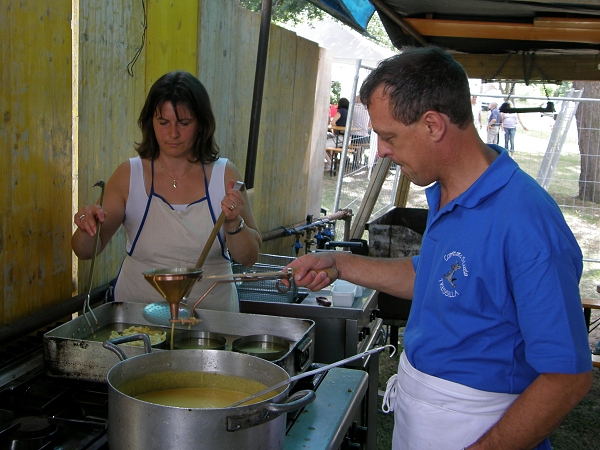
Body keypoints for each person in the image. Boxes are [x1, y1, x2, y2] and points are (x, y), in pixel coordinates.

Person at [284, 46, 592, 450]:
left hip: (482, 428)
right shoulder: (448, 193)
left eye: (388, 136)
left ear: (432, 125)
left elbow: (567, 377)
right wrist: (339, 262)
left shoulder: (526, 221)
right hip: (424, 417)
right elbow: (430, 274)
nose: (380, 151)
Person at [72, 70, 261, 312]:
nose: (173, 133)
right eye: (163, 123)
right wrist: (87, 227)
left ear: (202, 123)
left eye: (184, 123)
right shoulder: (129, 174)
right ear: (150, 122)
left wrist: (233, 223)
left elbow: (249, 257)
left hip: (212, 322)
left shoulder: (224, 175)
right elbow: (85, 251)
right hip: (137, 319)